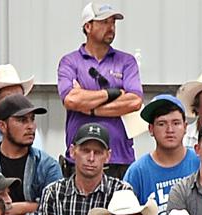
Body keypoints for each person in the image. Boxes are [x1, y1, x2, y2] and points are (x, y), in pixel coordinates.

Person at [58, 3, 144, 174]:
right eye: (104, 22)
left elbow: (134, 101)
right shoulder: (70, 62)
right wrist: (111, 93)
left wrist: (91, 109)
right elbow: (71, 100)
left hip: (119, 157)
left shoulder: (126, 61)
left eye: (113, 22)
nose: (111, 27)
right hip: (80, 157)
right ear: (87, 26)